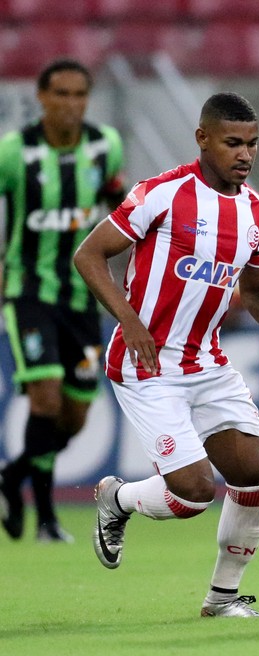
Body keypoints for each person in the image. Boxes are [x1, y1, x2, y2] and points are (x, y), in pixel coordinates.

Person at [73, 92, 259, 618]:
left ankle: (222, 599)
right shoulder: (161, 194)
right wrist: (131, 321)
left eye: (253, 144)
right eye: (233, 143)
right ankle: (117, 499)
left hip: (206, 364)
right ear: (202, 138)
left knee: (254, 477)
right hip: (146, 367)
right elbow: (89, 255)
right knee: (192, 494)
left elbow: (255, 293)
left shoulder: (258, 213)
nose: (245, 154)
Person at [0, 59, 125, 543]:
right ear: (42, 97)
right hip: (28, 293)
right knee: (45, 398)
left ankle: (12, 477)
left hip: (81, 296)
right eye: (62, 94)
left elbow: (120, 203)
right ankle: (47, 518)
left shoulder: (104, 145)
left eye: (80, 95)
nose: (71, 104)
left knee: (74, 415)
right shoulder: (14, 153)